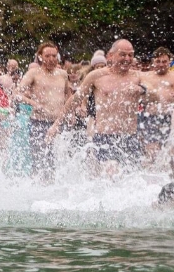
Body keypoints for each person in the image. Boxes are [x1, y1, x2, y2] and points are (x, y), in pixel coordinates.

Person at [50, 39, 145, 175]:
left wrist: (143, 89)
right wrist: (56, 124)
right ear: (111, 55)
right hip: (105, 137)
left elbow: (156, 91)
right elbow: (75, 99)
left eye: (130, 55)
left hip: (130, 137)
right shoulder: (97, 76)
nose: (127, 58)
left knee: (132, 179)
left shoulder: (138, 77)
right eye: (123, 54)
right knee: (111, 172)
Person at [16, 42, 68, 179]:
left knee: (60, 159)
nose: (51, 59)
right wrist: (33, 104)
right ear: (40, 57)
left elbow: (69, 96)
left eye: (54, 56)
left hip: (59, 123)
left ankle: (58, 189)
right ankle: (39, 189)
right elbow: (17, 94)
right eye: (47, 56)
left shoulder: (63, 74)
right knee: (40, 160)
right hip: (39, 122)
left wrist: (72, 111)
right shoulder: (34, 73)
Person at [139, 47, 174, 164]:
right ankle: (151, 180)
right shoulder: (144, 76)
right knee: (152, 154)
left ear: (169, 61)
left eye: (164, 61)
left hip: (172, 118)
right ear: (153, 62)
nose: (161, 65)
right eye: (158, 62)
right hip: (151, 118)